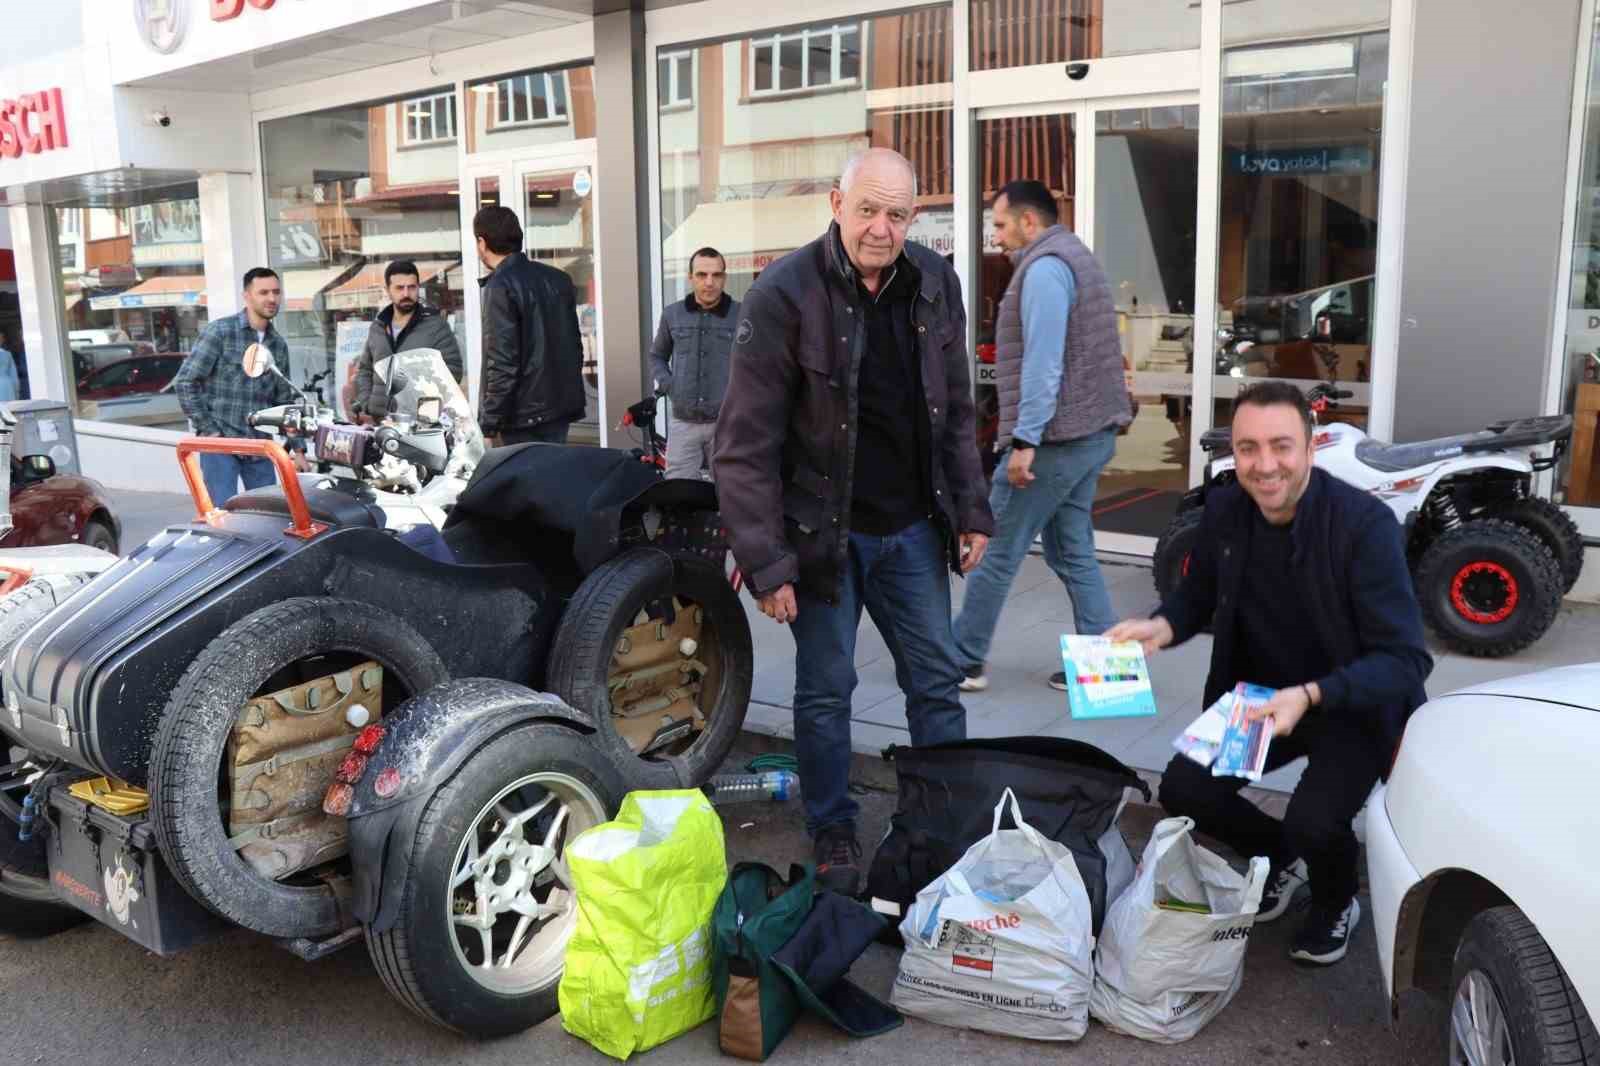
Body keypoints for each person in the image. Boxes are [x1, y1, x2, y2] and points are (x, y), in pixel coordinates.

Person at [714, 148, 994, 896]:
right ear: (836, 203)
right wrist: (766, 562)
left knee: (936, 683)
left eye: (897, 215)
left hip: (910, 530)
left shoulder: (937, 283)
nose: (880, 228)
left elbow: (957, 412)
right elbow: (742, 447)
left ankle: (946, 818)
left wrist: (971, 507)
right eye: (866, 209)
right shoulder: (783, 293)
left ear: (915, 218)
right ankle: (833, 827)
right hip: (819, 539)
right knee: (825, 690)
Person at [1107, 381, 1432, 966]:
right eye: (1248, 448)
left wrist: (1309, 695)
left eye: (1281, 446)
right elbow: (1196, 595)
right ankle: (1282, 858)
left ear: (1311, 447)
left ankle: (1336, 900)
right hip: (1258, 701)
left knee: (1316, 819)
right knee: (1185, 788)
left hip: (1349, 708)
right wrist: (1161, 626)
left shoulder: (1364, 526)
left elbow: (1407, 660)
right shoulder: (1227, 509)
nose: (1265, 465)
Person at [952, 180, 1132, 693]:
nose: (998, 236)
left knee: (996, 544)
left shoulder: (1047, 270)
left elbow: (1044, 363)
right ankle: (1109, 671)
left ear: (1029, 222)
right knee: (1071, 549)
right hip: (1087, 434)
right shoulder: (1074, 256)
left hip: (1055, 442)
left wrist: (1025, 439)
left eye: (1002, 225)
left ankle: (963, 658)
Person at [174, 268, 311, 506]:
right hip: (221, 446)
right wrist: (210, 431)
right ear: (247, 296)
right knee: (222, 517)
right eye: (264, 292)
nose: (271, 298)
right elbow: (186, 382)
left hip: (259, 446)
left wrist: (298, 450)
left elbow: (283, 402)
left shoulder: (277, 345)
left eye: (276, 292)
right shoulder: (220, 332)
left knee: (267, 514)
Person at [473, 205, 586, 445]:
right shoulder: (558, 279)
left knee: (525, 481)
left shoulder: (500, 286)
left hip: (522, 417)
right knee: (552, 478)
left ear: (482, 242)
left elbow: (503, 361)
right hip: (559, 410)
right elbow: (575, 347)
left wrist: (489, 423)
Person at [648, 247, 738, 480]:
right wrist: (670, 386)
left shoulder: (741, 314)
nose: (709, 282)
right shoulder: (673, 314)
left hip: (726, 423)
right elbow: (656, 356)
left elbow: (757, 362)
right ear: (690, 278)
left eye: (716, 275)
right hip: (683, 422)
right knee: (679, 490)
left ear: (724, 278)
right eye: (702, 275)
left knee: (730, 490)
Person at [351, 260, 465, 424]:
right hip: (381, 421)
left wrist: (425, 411)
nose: (406, 293)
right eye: (399, 288)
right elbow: (365, 370)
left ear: (418, 288)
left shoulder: (435, 326)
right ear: (388, 290)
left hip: (419, 424)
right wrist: (367, 402)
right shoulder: (378, 327)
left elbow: (452, 371)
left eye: (411, 287)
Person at [0, 329, 19, 403]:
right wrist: (16, 391)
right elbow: (14, 376)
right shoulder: (7, 354)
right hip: (7, 385)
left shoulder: (7, 354)